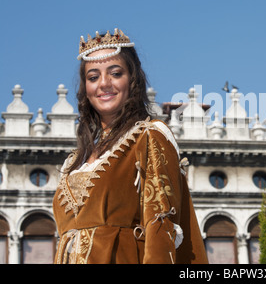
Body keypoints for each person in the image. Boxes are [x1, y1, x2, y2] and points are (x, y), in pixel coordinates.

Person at [52, 28, 208, 264]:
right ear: (85, 88)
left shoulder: (149, 136)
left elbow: (161, 229)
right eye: (93, 77)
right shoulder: (75, 161)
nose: (104, 84)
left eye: (115, 73)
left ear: (132, 79)